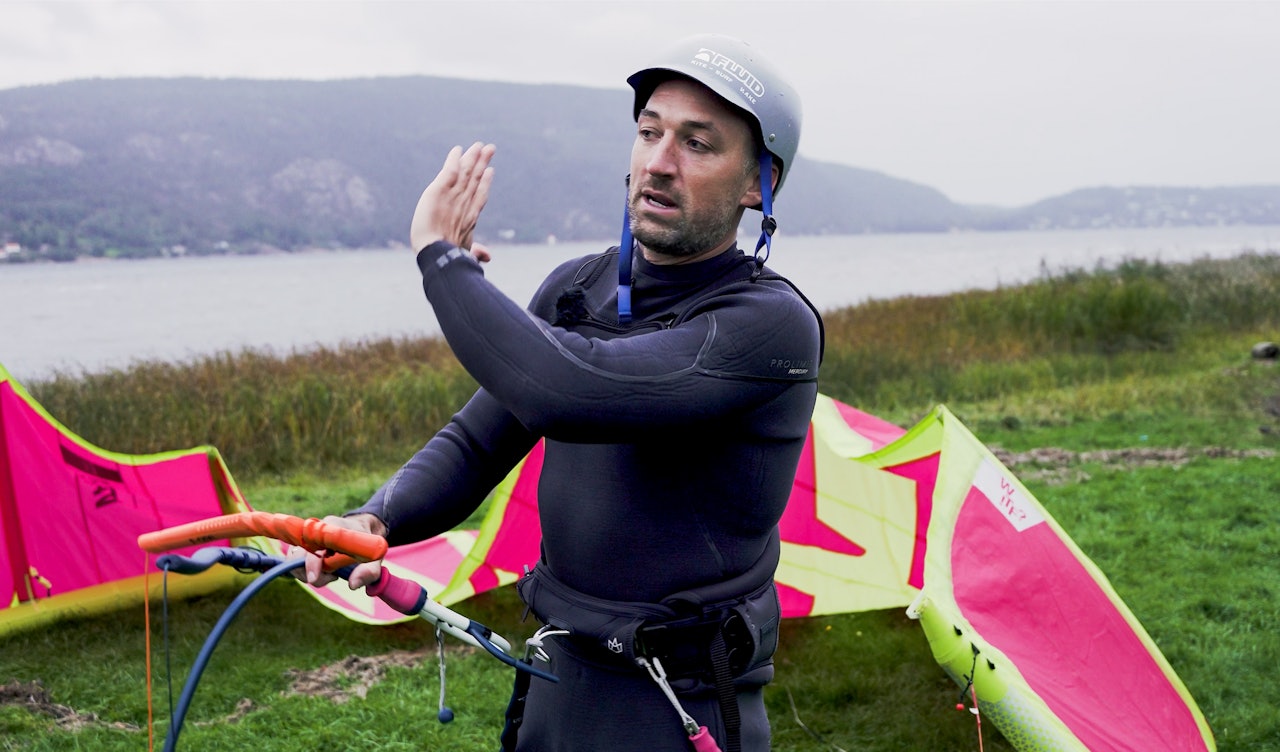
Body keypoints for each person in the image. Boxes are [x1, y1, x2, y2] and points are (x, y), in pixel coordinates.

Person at [305, 33, 822, 752]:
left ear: (756, 182)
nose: (659, 162)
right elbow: (480, 438)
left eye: (698, 144)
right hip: (558, 670)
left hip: (677, 702)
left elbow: (569, 392)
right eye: (649, 132)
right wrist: (377, 519)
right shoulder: (579, 287)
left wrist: (444, 262)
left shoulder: (769, 326)